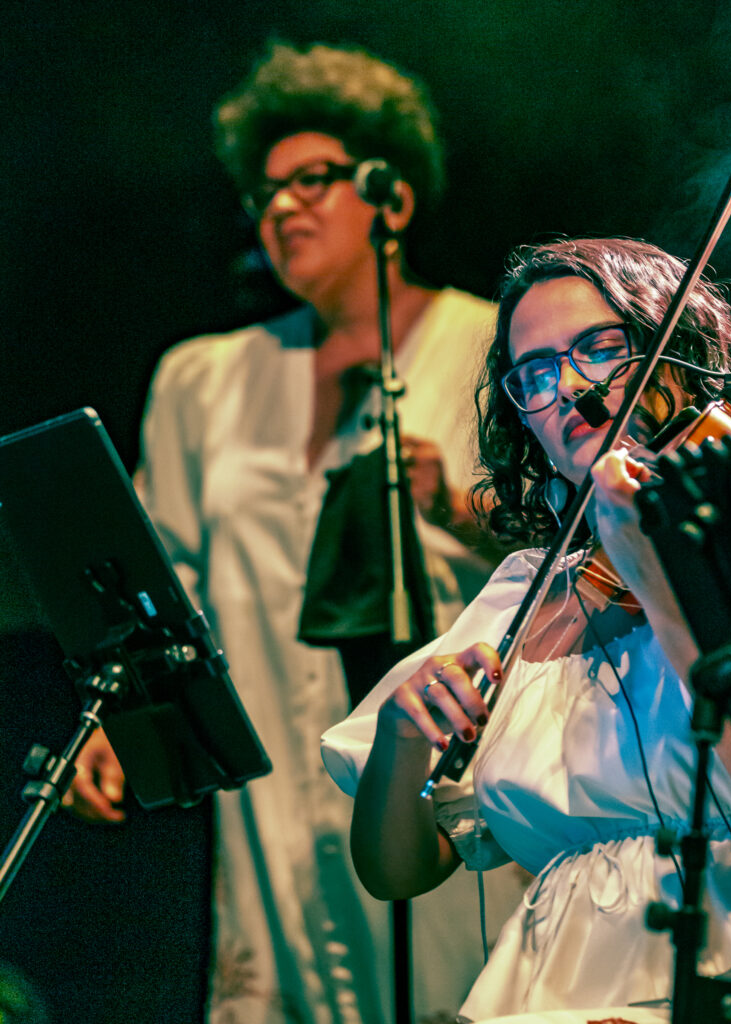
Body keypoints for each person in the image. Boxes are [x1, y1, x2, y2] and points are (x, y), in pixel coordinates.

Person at [66, 39, 526, 1024]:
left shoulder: (497, 346)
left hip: (445, 776)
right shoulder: (203, 378)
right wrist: (122, 720)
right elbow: (167, 581)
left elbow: (580, 551)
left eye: (313, 180)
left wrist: (458, 506)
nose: (282, 207)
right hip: (271, 796)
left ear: (390, 198)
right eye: (265, 191)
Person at [322, 236, 731, 1022]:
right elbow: (399, 871)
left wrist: (657, 576)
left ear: (678, 360)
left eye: (601, 349)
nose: (573, 387)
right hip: (544, 991)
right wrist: (399, 738)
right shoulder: (527, 589)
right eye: (537, 374)